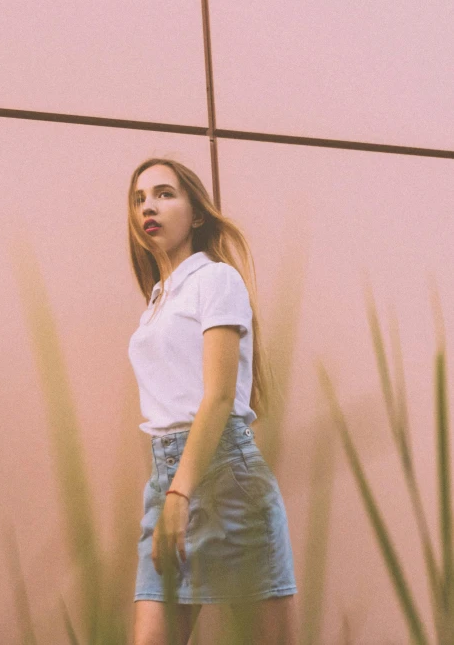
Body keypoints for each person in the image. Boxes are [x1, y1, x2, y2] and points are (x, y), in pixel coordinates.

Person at [127, 157, 297, 644]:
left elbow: (219, 397)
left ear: (197, 214)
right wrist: (171, 494)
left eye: (164, 194)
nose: (148, 207)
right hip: (166, 481)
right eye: (139, 199)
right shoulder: (159, 299)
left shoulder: (215, 280)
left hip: (224, 479)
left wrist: (180, 494)